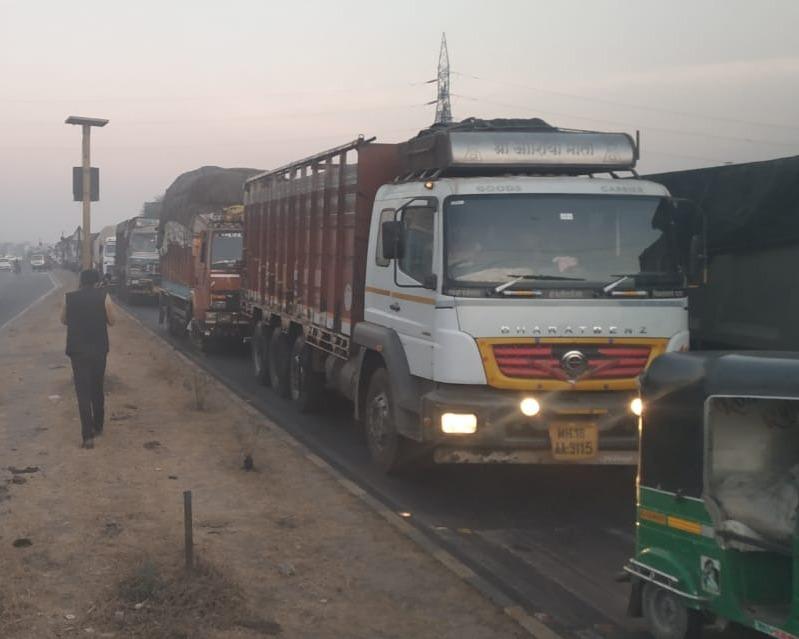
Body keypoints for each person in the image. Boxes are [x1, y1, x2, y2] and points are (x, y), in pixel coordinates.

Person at [60, 269, 116, 449]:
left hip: (77, 351)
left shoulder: (69, 297)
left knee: (82, 392)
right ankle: (98, 426)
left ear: (81, 281)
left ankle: (87, 437)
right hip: (99, 349)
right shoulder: (104, 297)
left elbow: (63, 320)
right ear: (97, 281)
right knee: (97, 387)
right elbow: (112, 321)